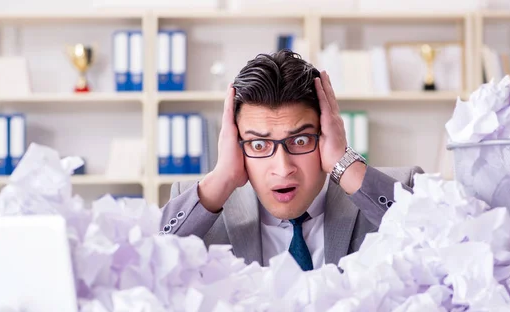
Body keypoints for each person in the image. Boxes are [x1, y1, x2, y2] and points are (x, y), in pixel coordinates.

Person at [160, 49, 423, 270]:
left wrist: (345, 163)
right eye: (259, 144)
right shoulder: (201, 204)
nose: (283, 168)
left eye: (300, 141)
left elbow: (446, 245)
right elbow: (139, 266)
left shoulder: (397, 194)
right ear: (236, 146)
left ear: (326, 135)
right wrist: (222, 177)